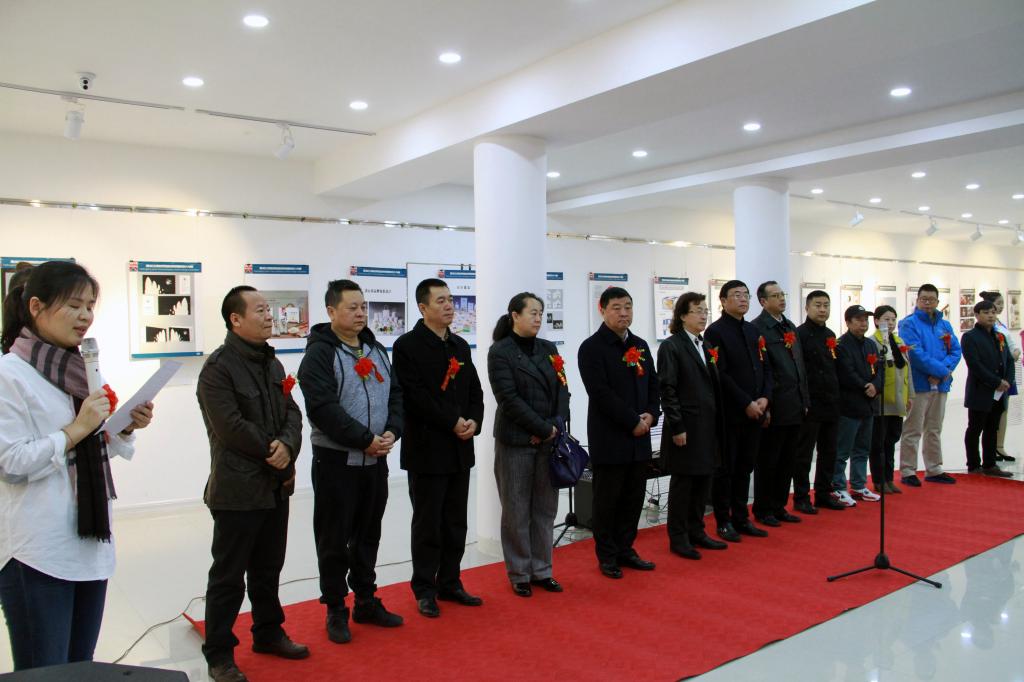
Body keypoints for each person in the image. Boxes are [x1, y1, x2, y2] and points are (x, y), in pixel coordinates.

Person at [0, 261, 154, 671]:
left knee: (80, 667)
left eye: (89, 306)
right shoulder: (9, 374)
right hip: (37, 550)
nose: (85, 316)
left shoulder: (79, 370)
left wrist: (122, 427)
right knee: (44, 671)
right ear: (36, 306)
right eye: (73, 305)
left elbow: (90, 446)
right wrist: (77, 428)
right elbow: (11, 463)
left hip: (88, 541)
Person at [197, 286, 307, 682]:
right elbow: (229, 427)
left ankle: (268, 633)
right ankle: (219, 654)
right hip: (238, 489)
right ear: (235, 319)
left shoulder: (272, 364)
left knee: (268, 568)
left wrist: (288, 445)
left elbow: (292, 413)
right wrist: (272, 451)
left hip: (275, 485)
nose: (268, 316)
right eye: (259, 310)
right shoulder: (217, 369)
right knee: (228, 577)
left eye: (268, 310)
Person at [297, 279, 404, 645]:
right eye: (352, 308)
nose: (360, 314)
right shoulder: (319, 354)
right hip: (336, 462)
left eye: (363, 307)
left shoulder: (376, 348)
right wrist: (363, 439)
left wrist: (392, 430)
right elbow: (322, 409)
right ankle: (335, 608)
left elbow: (396, 394)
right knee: (334, 539)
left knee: (368, 534)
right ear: (331, 311)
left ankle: (366, 600)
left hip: (376, 461)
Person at [392, 278, 484, 618]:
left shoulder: (459, 345)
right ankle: (424, 589)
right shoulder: (407, 346)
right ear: (423, 307)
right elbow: (414, 397)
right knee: (428, 523)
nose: (449, 306)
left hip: (460, 448)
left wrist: (474, 420)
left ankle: (450, 582)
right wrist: (451, 421)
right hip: (427, 449)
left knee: (455, 522)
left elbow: (474, 390)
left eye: (450, 300)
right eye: (441, 301)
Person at [487, 292, 569, 596]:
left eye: (540, 313)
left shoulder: (548, 348)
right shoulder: (500, 351)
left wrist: (554, 426)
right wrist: (542, 428)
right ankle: (520, 572)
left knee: (545, 509)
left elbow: (563, 390)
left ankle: (542, 570)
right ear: (515, 316)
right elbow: (508, 399)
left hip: (549, 441)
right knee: (516, 510)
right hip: (516, 442)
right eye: (532, 313)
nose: (538, 318)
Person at [577, 286, 660, 578]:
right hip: (610, 437)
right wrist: (632, 421)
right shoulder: (591, 347)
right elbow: (600, 393)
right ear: (602, 310)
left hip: (640, 437)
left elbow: (653, 384)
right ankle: (607, 555)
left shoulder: (640, 345)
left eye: (628, 307)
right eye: (616, 307)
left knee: (633, 497)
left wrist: (652, 413)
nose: (623, 313)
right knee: (607, 499)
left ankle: (626, 548)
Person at [656, 292, 728, 560]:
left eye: (705, 310)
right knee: (684, 483)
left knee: (703, 479)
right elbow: (668, 389)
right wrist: (677, 426)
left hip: (707, 425)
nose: (703, 315)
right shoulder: (672, 346)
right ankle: (678, 537)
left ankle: (697, 530)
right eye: (698, 310)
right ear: (683, 316)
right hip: (686, 426)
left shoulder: (704, 344)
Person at [703, 280, 772, 542]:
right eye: (736, 295)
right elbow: (720, 373)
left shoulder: (753, 331)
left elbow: (765, 367)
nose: (743, 299)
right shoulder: (715, 332)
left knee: (745, 467)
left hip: (756, 410)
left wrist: (765, 398)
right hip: (731, 413)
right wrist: (746, 402)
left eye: (746, 295)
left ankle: (742, 518)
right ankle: (723, 521)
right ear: (723, 301)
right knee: (726, 469)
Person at [751, 281, 809, 526]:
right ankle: (763, 508)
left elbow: (799, 366)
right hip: (776, 405)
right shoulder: (758, 328)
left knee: (788, 460)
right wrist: (767, 407)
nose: (781, 299)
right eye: (775, 296)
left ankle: (779, 505)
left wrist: (805, 399)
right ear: (763, 301)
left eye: (782, 294)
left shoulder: (789, 326)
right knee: (769, 460)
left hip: (795, 403)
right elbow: (762, 371)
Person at [897, 284, 960, 486]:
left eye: (931, 300)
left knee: (934, 428)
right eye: (923, 299)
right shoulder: (908, 324)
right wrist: (941, 371)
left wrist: (943, 373)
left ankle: (934, 468)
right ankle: (908, 470)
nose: (927, 303)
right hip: (919, 384)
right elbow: (915, 354)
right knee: (913, 428)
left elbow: (955, 351)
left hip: (940, 385)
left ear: (937, 302)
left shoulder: (944, 325)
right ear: (917, 300)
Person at [793, 291, 845, 512]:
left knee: (829, 451)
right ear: (807, 308)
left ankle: (823, 493)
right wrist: (804, 401)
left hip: (831, 402)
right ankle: (801, 497)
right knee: (804, 454)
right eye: (818, 305)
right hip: (810, 403)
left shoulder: (830, 334)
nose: (822, 309)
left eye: (826, 305)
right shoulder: (799, 334)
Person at [833, 305, 884, 506]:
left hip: (868, 405)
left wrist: (876, 386)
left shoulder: (870, 344)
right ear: (848, 322)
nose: (863, 324)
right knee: (842, 450)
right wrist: (865, 386)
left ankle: (858, 485)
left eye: (865, 320)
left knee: (862, 449)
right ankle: (838, 487)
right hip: (849, 405)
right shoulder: (841, 345)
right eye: (858, 320)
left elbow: (879, 369)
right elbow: (846, 372)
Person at [961, 300, 1015, 478]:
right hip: (980, 390)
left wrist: (1007, 381)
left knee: (992, 428)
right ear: (977, 315)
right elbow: (974, 365)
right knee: (975, 428)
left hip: (999, 392)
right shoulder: (970, 337)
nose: (991, 315)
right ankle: (973, 465)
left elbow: (1009, 360)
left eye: (993, 312)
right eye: (986, 312)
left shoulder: (999, 336)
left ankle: (990, 464)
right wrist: (995, 381)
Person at [868, 306, 915, 495]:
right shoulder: (873, 342)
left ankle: (888, 478)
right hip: (881, 401)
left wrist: (910, 395)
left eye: (893, 319)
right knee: (878, 443)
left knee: (891, 440)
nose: (890, 323)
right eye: (886, 319)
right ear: (876, 321)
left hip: (898, 400)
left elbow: (907, 370)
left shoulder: (899, 341)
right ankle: (879, 480)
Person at [979, 291, 1021, 462]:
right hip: (994, 375)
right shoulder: (987, 328)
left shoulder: (1000, 324)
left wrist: (1015, 352)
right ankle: (992, 447)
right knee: (992, 413)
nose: (1001, 307)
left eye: (1002, 303)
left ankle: (999, 445)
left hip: (1007, 372)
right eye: (998, 304)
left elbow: (1010, 344)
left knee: (1003, 411)